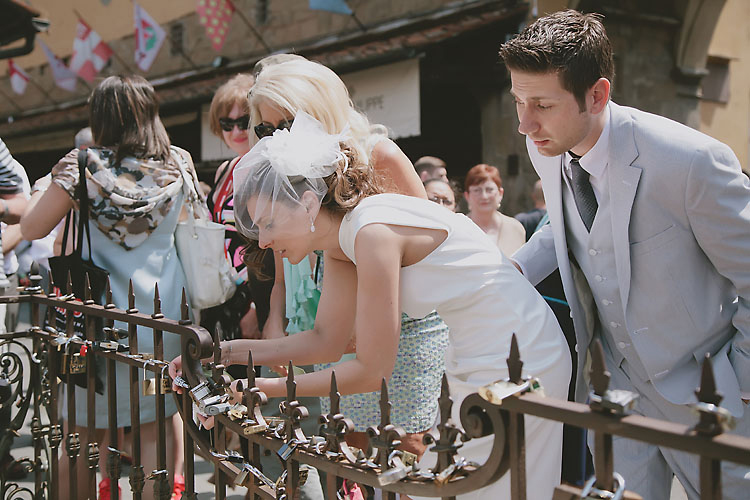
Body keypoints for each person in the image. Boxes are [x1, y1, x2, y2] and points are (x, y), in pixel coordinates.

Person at [171, 112, 571, 498]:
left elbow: (371, 370)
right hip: (473, 353)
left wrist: (260, 389)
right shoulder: (343, 240)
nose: (263, 242)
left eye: (270, 223)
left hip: (519, 353)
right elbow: (325, 342)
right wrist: (220, 354)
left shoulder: (370, 232)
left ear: (309, 204)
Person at [501, 10, 750, 498]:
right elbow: (567, 226)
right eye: (518, 102)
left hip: (709, 397)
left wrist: (740, 381)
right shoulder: (546, 142)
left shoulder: (692, 161)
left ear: (597, 95)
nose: (525, 124)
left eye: (542, 104)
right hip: (614, 393)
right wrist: (512, 269)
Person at [247, 56, 448, 461]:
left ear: (318, 111)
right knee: (351, 456)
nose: (275, 139)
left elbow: (432, 254)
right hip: (344, 338)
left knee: (407, 460)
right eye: (264, 129)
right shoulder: (289, 178)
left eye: (285, 124)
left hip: (407, 335)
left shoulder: (381, 156)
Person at [21, 75, 197, 500]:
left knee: (81, 433)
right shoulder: (180, 163)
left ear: (99, 117)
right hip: (161, 320)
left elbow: (31, 226)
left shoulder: (81, 165)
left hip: (94, 322)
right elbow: (192, 233)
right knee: (154, 419)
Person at [200, 73, 272, 342]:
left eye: (244, 122)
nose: (236, 131)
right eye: (227, 124)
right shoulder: (224, 170)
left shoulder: (269, 168)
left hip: (260, 291)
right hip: (223, 293)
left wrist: (256, 307)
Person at [463, 163, 526, 256]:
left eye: (489, 189)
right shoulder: (460, 228)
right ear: (467, 195)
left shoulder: (515, 228)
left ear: (500, 193)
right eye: (477, 190)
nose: (484, 196)